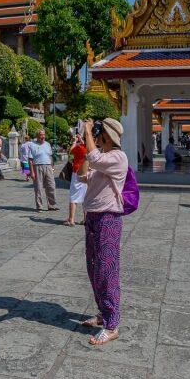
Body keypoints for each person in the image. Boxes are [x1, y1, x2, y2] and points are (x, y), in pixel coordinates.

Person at [78, 118, 128, 346]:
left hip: (109, 218)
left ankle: (112, 324)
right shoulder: (101, 159)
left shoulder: (118, 158)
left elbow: (95, 158)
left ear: (107, 135)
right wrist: (86, 145)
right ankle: (103, 312)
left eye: (99, 133)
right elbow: (82, 176)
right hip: (93, 218)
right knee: (94, 268)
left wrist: (89, 133)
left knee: (107, 271)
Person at [28, 129, 58, 211]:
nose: (43, 136)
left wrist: (52, 167)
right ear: (37, 136)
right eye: (41, 135)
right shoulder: (32, 145)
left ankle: (52, 205)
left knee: (51, 186)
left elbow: (50, 156)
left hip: (48, 166)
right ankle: (40, 206)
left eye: (44, 134)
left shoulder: (47, 144)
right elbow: (30, 159)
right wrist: (32, 172)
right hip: (37, 166)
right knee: (38, 187)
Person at [65, 131, 88, 226]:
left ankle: (71, 219)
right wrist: (81, 139)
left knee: (73, 195)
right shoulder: (91, 149)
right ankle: (86, 218)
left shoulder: (79, 147)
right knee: (85, 196)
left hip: (77, 172)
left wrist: (74, 142)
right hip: (87, 173)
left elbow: (70, 155)